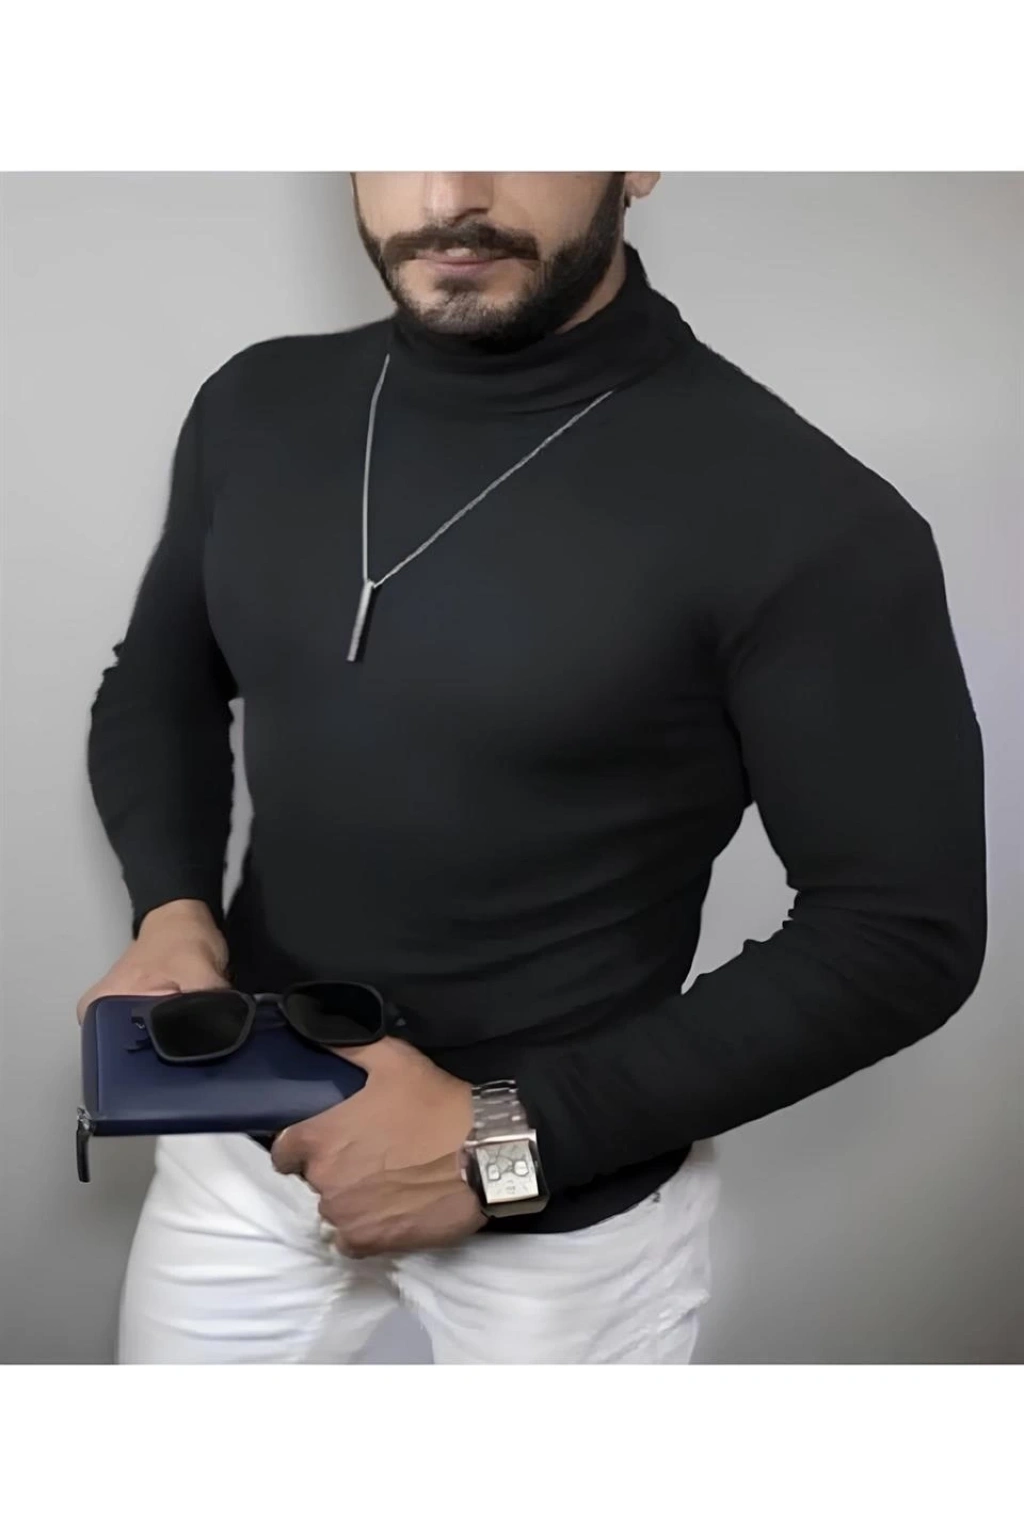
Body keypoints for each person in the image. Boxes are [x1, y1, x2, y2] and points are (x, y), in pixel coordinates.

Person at [80, 172, 987, 1365]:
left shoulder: (805, 515)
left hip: (557, 1203)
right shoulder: (257, 403)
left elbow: (900, 932)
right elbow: (159, 683)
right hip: (244, 1152)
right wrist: (171, 910)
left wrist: (505, 1141)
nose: (448, 193)